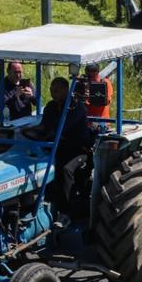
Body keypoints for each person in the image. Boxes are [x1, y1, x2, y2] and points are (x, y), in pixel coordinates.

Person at [33, 77, 92, 216]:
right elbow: (44, 126)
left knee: (65, 169)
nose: (53, 93)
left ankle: (66, 212)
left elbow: (62, 127)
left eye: (57, 90)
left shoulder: (77, 107)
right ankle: (43, 202)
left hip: (78, 150)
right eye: (51, 90)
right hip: (57, 147)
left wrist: (47, 130)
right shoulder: (50, 106)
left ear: (66, 90)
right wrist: (28, 132)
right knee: (35, 164)